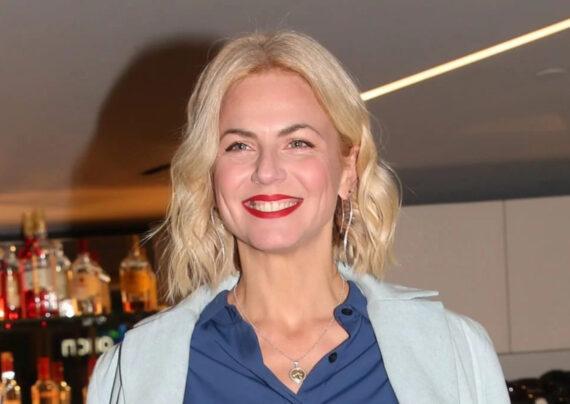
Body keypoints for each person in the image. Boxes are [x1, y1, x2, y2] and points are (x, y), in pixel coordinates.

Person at [87, 30, 510, 403]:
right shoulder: (134, 369)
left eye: (299, 143)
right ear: (210, 175)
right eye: (239, 146)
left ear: (348, 169)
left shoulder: (454, 349)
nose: (267, 171)